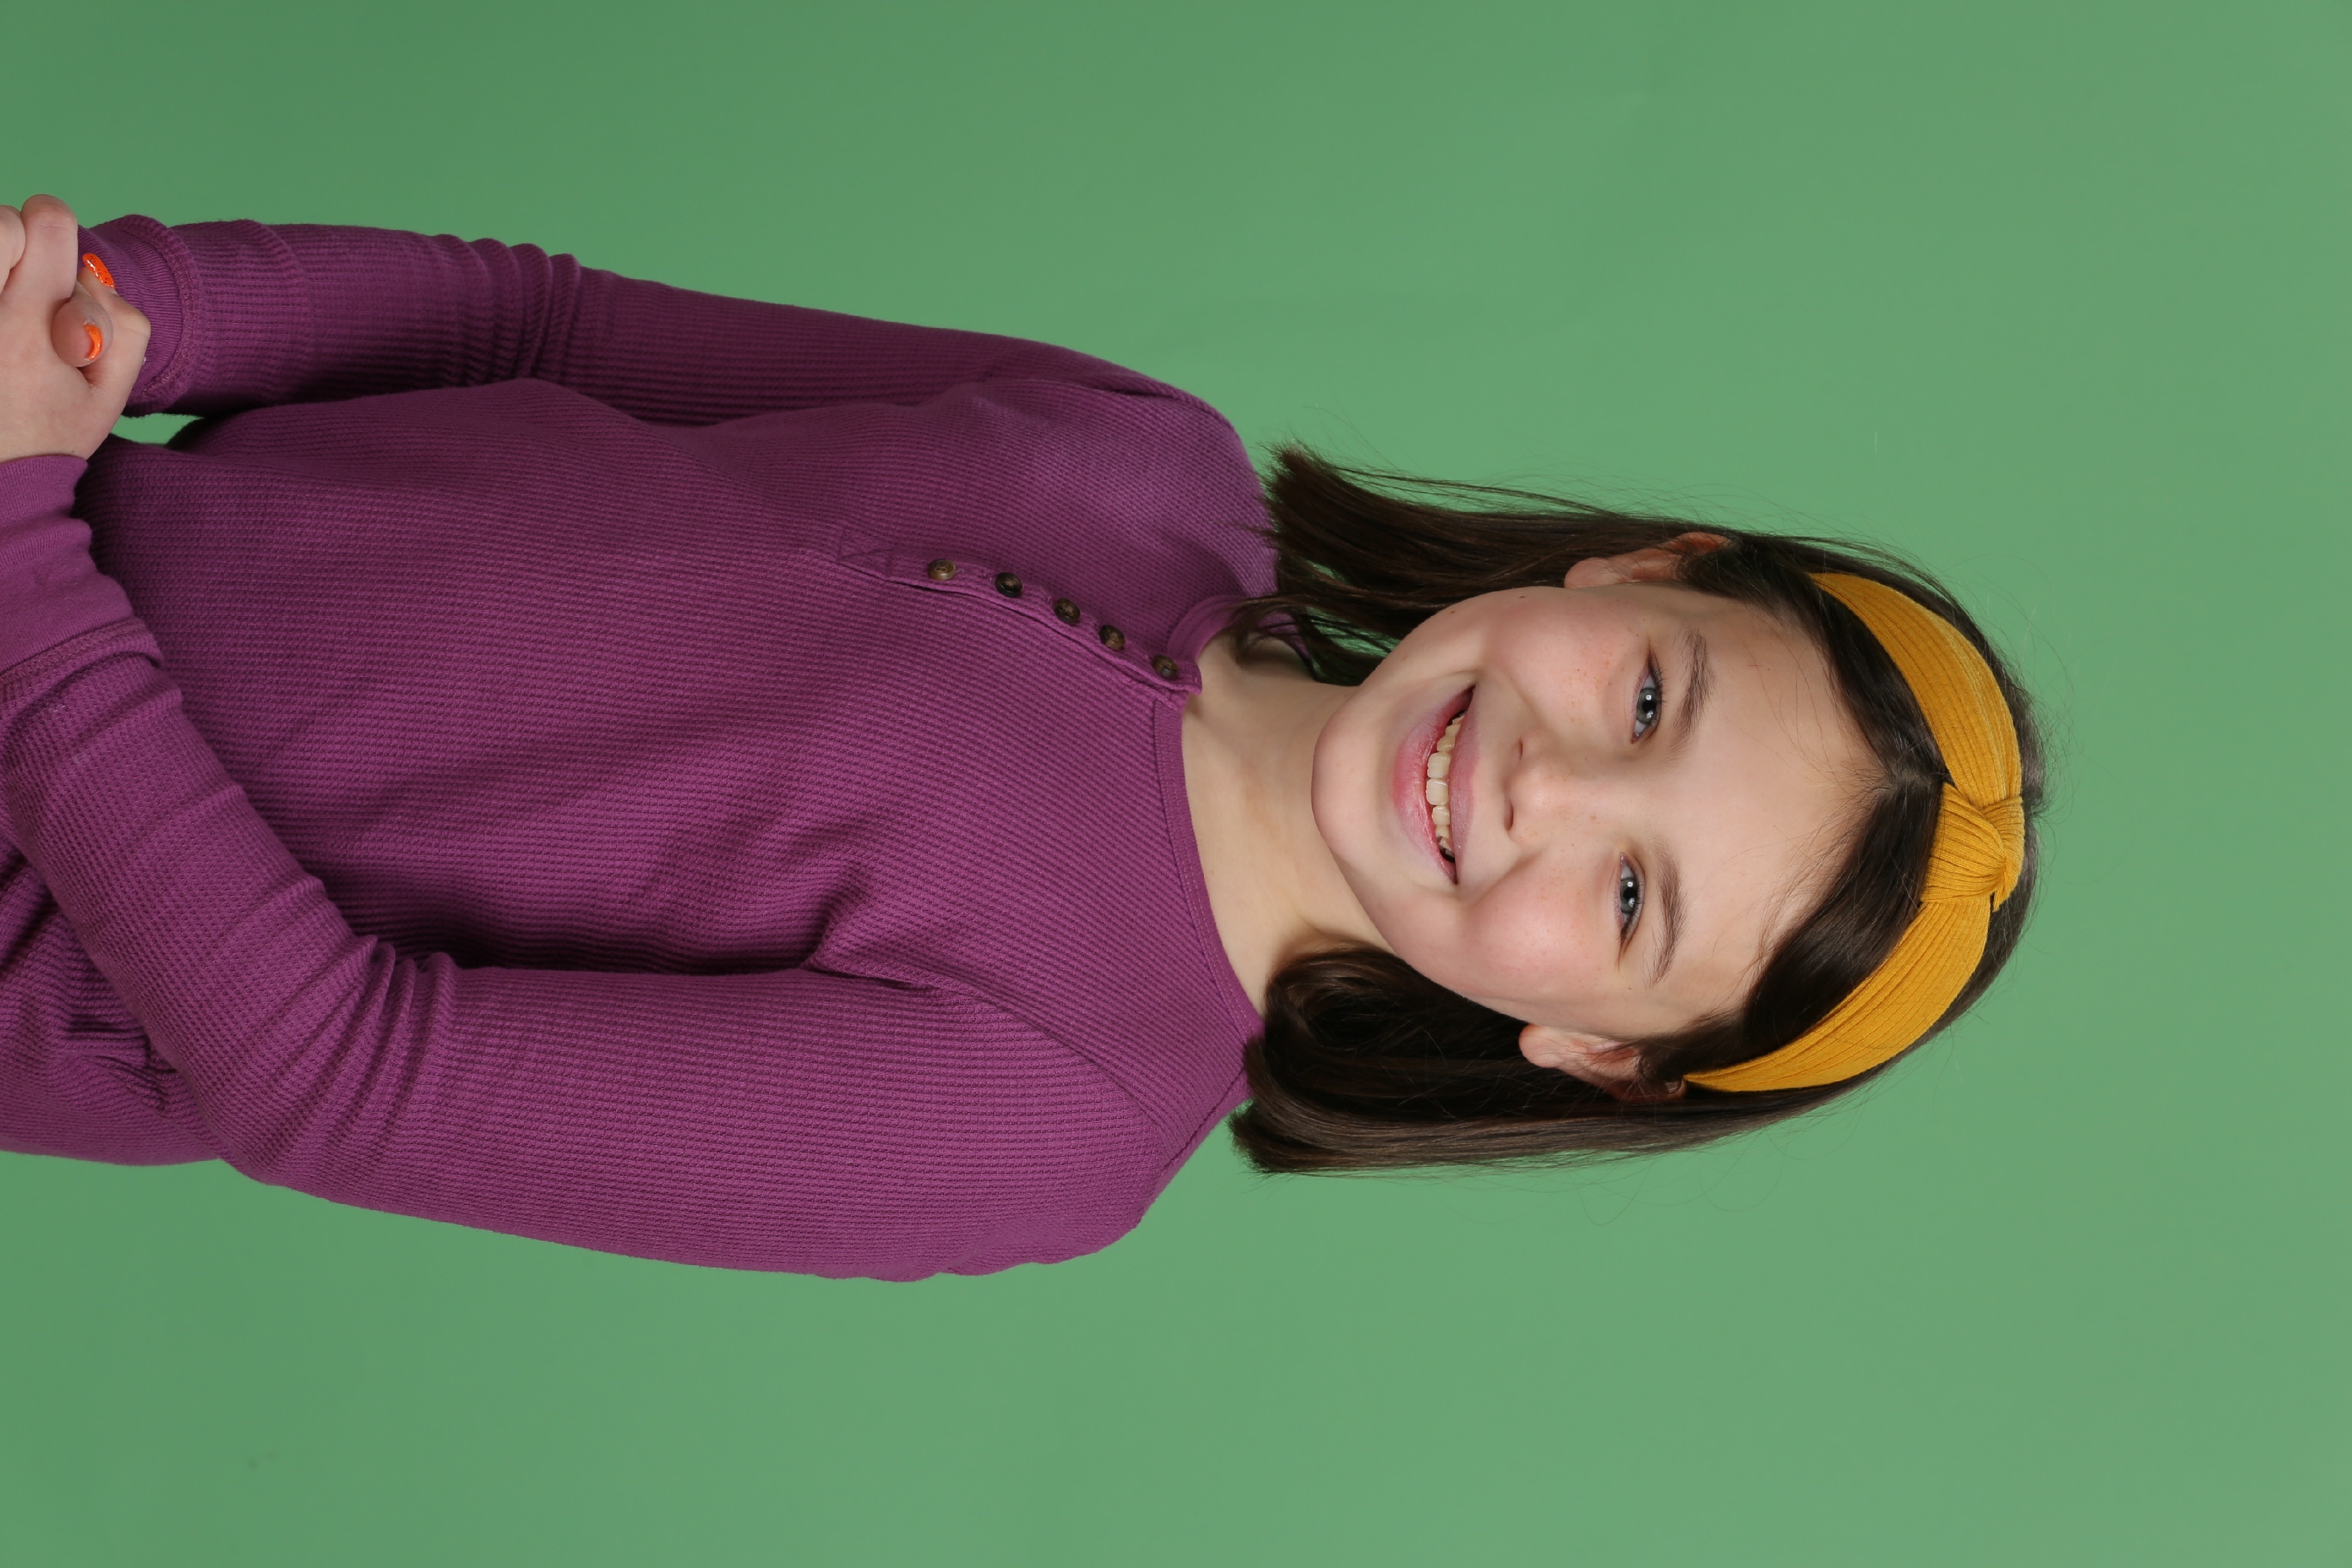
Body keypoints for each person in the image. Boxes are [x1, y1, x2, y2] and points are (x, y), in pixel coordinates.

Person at [0, 195, 2044, 1279]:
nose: (1545, 787)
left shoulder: (1043, 1125)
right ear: (1642, 570)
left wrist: (20, 532)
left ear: (1594, 1052)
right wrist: (109, 313)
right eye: (1652, 700)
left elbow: (333, 1076)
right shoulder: (1142, 452)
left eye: (1629, 899)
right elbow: (543, 326)